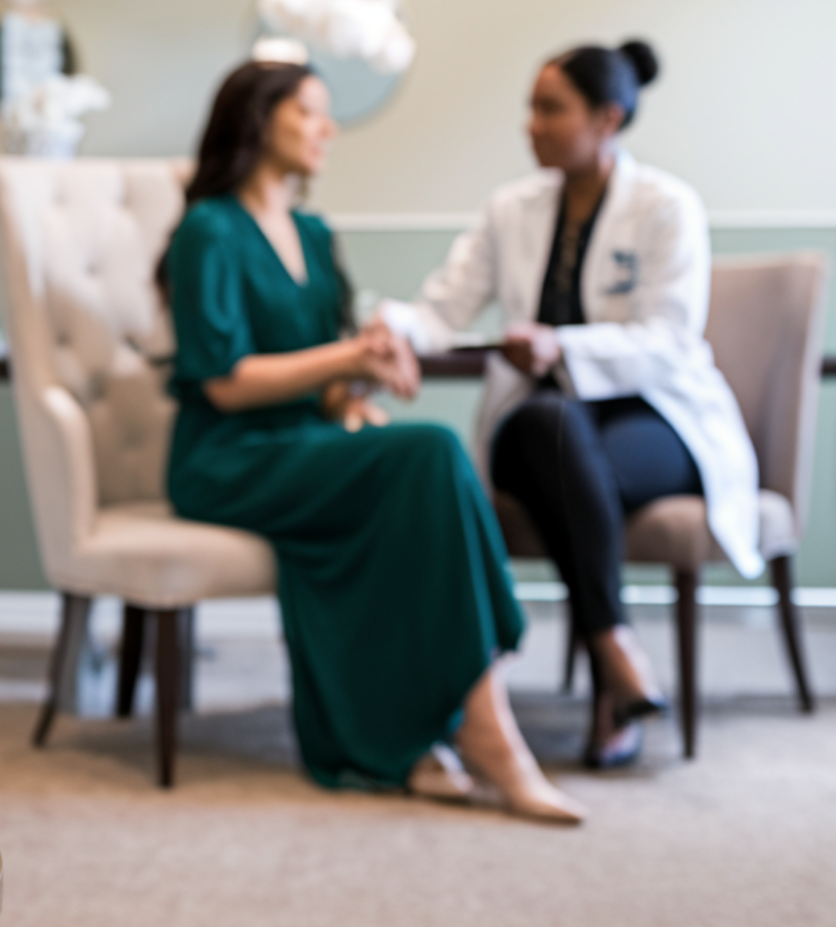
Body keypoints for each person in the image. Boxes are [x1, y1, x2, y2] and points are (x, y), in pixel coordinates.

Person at [163, 54, 586, 823]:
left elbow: (323, 381)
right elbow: (224, 380)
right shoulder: (208, 230)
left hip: (304, 444)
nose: (328, 129)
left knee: (418, 464)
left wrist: (355, 385)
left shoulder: (314, 234)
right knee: (429, 454)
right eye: (310, 111)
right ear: (259, 120)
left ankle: (427, 734)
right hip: (228, 457)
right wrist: (353, 355)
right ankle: (489, 736)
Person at [382, 40, 761, 768]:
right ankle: (614, 660)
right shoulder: (510, 209)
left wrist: (563, 347)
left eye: (550, 109)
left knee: (563, 457)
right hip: (546, 430)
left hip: (654, 421)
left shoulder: (664, 206)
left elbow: (670, 340)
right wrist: (388, 329)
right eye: (531, 107)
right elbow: (442, 307)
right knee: (546, 424)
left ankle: (607, 666)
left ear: (608, 116)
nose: (532, 124)